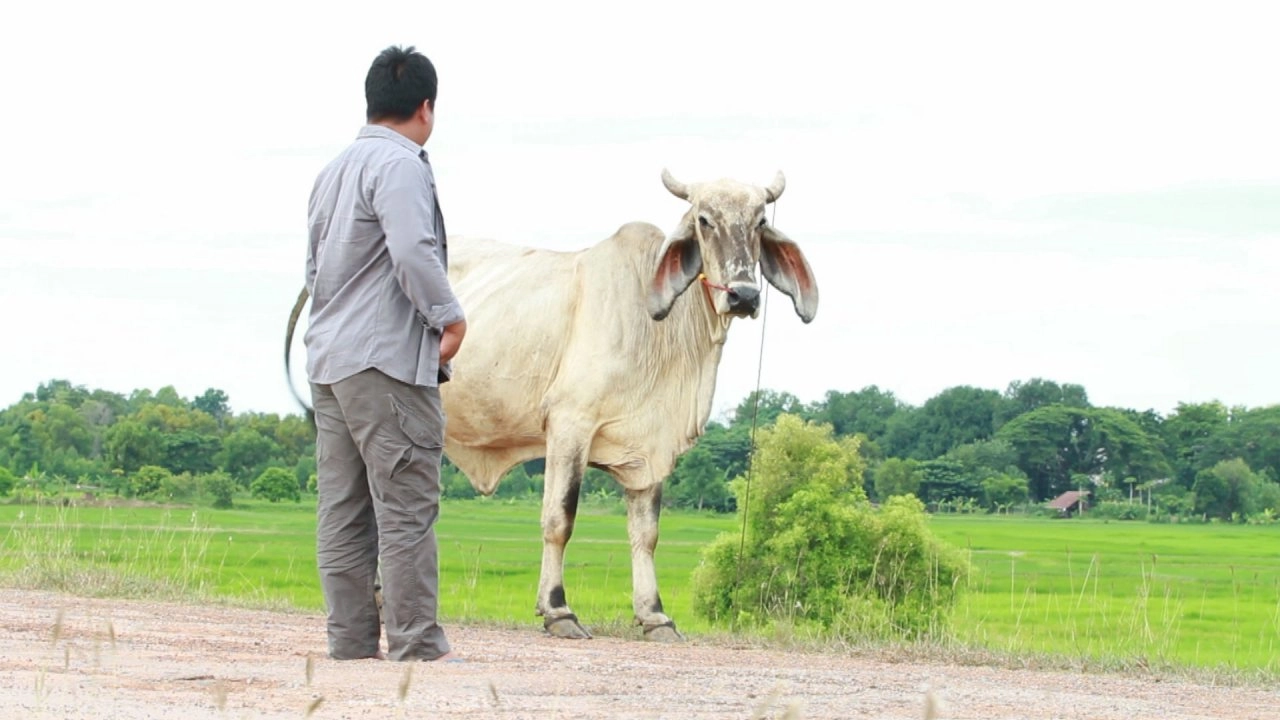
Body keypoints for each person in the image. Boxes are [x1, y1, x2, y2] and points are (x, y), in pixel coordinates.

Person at [304, 45, 466, 662]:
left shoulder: (333, 170)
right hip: (386, 363)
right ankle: (415, 644)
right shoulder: (402, 166)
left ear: (372, 103)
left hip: (330, 360)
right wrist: (448, 317)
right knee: (405, 509)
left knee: (343, 511)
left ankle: (348, 643)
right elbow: (412, 249)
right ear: (426, 108)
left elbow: (315, 270)